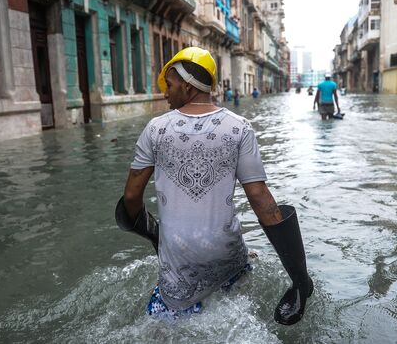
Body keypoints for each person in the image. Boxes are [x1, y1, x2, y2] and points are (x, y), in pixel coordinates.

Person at [115, 47, 313, 325]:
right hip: (228, 256)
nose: (165, 93)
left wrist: (156, 235)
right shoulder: (240, 127)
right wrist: (298, 279)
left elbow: (131, 197)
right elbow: (259, 198)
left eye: (169, 85)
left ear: (186, 86)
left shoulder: (155, 129)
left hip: (179, 270)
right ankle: (303, 285)